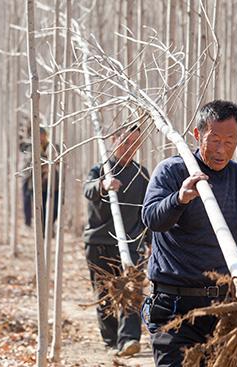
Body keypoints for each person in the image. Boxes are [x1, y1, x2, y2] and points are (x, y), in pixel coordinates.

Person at [141, 100, 237, 366]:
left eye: (229, 142)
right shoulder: (172, 171)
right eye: (214, 140)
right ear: (197, 134)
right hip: (173, 307)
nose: (221, 150)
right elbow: (151, 218)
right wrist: (179, 199)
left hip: (224, 309)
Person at [83, 125, 151, 357]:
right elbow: (88, 189)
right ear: (113, 140)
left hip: (132, 244)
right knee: (105, 295)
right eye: (125, 141)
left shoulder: (141, 174)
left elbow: (147, 211)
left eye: (135, 143)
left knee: (132, 291)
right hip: (99, 243)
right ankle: (112, 340)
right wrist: (103, 185)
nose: (129, 147)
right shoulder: (101, 169)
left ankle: (129, 339)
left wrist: (150, 240)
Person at [21, 127, 60, 234]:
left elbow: (59, 160)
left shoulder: (52, 146)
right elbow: (28, 165)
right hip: (38, 185)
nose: (40, 137)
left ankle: (49, 226)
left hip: (53, 183)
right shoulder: (31, 148)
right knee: (41, 209)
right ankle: (44, 230)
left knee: (55, 207)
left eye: (41, 135)